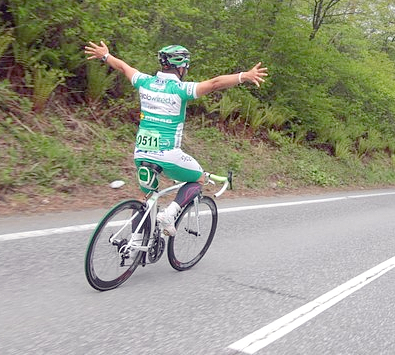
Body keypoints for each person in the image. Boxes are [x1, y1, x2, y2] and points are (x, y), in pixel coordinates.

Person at [84, 40, 267, 237]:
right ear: (181, 67)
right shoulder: (180, 89)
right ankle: (169, 215)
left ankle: (135, 242)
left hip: (141, 152)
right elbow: (215, 84)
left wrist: (105, 55)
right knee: (198, 179)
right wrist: (244, 76)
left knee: (147, 199)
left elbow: (123, 67)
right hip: (168, 154)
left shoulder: (144, 81)